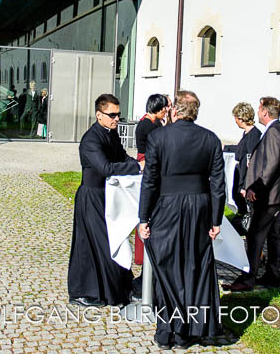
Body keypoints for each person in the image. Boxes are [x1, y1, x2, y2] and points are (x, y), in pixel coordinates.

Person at [138, 90, 225, 350]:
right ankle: (194, 329)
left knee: (166, 265)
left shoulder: (159, 137)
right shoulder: (210, 139)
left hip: (168, 206)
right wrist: (216, 219)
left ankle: (168, 332)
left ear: (174, 110)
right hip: (199, 206)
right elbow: (219, 184)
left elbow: (150, 180)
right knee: (195, 266)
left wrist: (144, 216)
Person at [68, 94, 142, 307]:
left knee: (110, 241)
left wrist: (137, 163)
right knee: (91, 245)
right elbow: (106, 168)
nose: (117, 118)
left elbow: (121, 157)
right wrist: (137, 167)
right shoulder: (91, 140)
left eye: (119, 114)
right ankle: (84, 292)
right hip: (91, 197)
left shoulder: (111, 134)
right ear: (99, 115)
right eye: (112, 115)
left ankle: (116, 287)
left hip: (107, 195)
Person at [224, 96, 280, 291]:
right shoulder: (279, 130)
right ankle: (272, 274)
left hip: (269, 195)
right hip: (276, 194)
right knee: (273, 236)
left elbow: (270, 165)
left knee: (255, 236)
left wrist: (256, 187)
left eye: (259, 108)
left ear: (265, 112)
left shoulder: (273, 132)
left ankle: (248, 277)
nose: (257, 111)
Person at [132, 93, 167, 286]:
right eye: (165, 108)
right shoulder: (150, 126)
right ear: (159, 109)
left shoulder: (151, 123)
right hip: (148, 164)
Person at [222, 102, 262, 234]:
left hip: (246, 180)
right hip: (241, 176)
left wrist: (246, 186)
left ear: (241, 118)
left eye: (235, 118)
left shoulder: (254, 135)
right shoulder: (247, 133)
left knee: (250, 211)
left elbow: (251, 162)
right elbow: (241, 150)